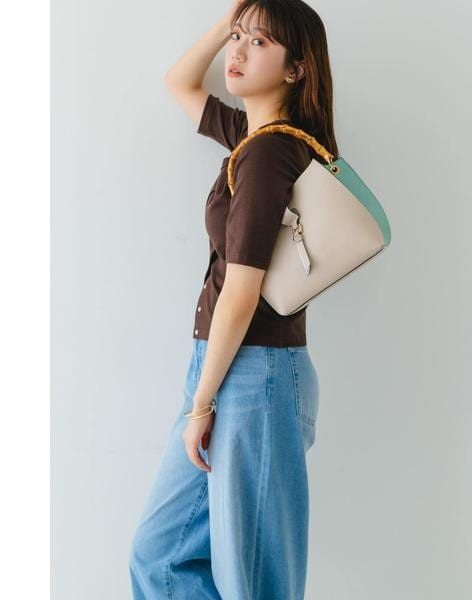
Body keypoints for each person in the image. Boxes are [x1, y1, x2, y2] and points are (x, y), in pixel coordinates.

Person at [129, 1, 338, 598]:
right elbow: (180, 82)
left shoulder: (270, 153)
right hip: (228, 369)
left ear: (297, 69)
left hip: (254, 375)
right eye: (237, 38)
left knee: (254, 581)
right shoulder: (252, 137)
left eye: (260, 43)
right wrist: (234, 19)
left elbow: (242, 291)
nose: (238, 52)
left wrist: (201, 404)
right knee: (160, 558)